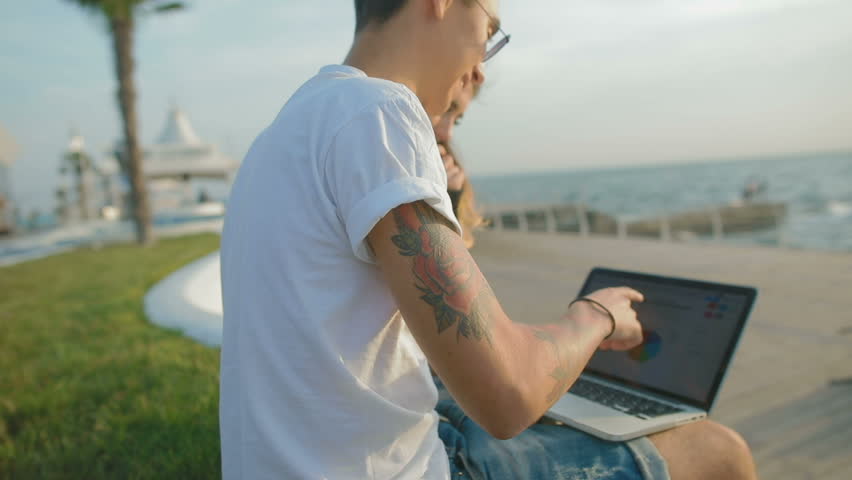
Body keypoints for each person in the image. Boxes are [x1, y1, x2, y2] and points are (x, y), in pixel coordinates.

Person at [219, 1, 758, 479]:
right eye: (489, 28)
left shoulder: (281, 134)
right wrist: (598, 316)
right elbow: (508, 396)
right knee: (717, 451)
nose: (480, 62)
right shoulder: (378, 111)